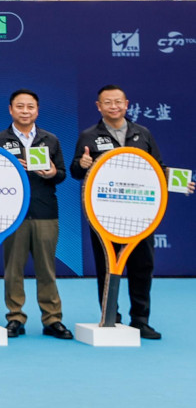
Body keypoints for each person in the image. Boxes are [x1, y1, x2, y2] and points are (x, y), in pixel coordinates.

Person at [73, 85, 164, 338]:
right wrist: (82, 164)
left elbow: (158, 168)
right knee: (106, 266)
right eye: (107, 102)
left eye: (118, 102)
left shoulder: (142, 133)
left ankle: (140, 320)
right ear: (98, 106)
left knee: (142, 266)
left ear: (127, 104)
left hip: (140, 213)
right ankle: (110, 316)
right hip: (103, 214)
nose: (113, 106)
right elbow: (75, 171)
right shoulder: (89, 136)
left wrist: (176, 182)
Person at [0, 89, 71, 339]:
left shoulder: (50, 139)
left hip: (45, 211)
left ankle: (52, 319)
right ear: (11, 109)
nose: (25, 111)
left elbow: (62, 174)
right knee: (13, 269)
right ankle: (15, 317)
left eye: (30, 107)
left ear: (37, 110)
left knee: (47, 269)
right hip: (13, 215)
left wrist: (51, 173)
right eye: (20, 106)